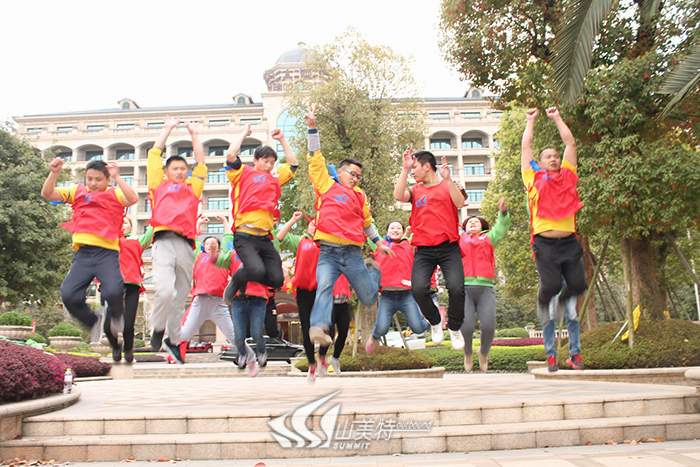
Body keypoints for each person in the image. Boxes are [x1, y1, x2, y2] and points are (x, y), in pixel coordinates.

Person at [303, 103, 395, 349]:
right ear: (340, 172)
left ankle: (373, 270)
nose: (355, 178)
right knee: (324, 287)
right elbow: (315, 158)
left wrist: (379, 244)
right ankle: (318, 327)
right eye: (352, 173)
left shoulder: (361, 196)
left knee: (368, 298)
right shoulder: (326, 185)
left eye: (358, 176)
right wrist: (312, 127)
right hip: (329, 252)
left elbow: (367, 224)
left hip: (353, 254)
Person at [41, 158, 138, 343]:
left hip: (107, 254)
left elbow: (132, 199)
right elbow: (48, 193)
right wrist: (54, 173)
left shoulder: (114, 193)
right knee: (68, 294)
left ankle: (116, 315)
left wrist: (117, 177)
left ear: (107, 180)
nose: (93, 183)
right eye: (89, 179)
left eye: (98, 179)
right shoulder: (77, 191)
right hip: (83, 255)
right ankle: (94, 321)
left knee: (113, 292)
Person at [522, 106, 587, 372]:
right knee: (549, 302)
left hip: (569, 243)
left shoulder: (568, 175)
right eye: (548, 156)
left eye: (556, 156)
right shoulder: (532, 177)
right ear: (541, 162)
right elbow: (526, 148)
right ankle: (551, 354)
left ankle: (574, 354)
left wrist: (557, 118)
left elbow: (570, 143)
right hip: (546, 245)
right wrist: (530, 122)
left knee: (576, 291)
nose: (553, 158)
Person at [393, 147, 466, 350]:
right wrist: (404, 169)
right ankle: (435, 321)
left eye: (415, 167)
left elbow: (460, 203)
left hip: (448, 247)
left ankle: (455, 327)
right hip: (424, 250)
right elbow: (398, 195)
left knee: (457, 288)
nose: (413, 171)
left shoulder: (447, 185)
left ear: (427, 166)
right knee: (418, 289)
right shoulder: (415, 190)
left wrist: (448, 180)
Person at [147, 116, 207, 364]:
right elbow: (154, 153)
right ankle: (157, 328)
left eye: (183, 168)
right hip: (163, 242)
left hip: (185, 245)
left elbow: (201, 162)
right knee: (164, 291)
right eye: (175, 168)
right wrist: (167, 129)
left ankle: (173, 339)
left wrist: (194, 134)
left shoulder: (194, 187)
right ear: (166, 172)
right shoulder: (157, 184)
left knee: (181, 295)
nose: (180, 172)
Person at [222, 124, 298, 302]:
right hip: (245, 236)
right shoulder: (242, 173)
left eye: (272, 162)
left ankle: (244, 274)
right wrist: (244, 133)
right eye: (265, 161)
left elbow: (293, 165)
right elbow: (231, 155)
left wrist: (282, 139)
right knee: (256, 270)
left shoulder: (275, 179)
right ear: (255, 160)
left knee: (277, 280)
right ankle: (239, 277)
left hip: (264, 238)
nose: (269, 165)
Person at [276, 211, 351, 381]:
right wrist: (292, 220)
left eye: (319, 224)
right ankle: (312, 364)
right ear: (307, 227)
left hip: (323, 290)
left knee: (328, 328)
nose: (314, 227)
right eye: (312, 224)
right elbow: (280, 237)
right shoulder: (301, 241)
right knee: (307, 329)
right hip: (304, 290)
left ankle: (322, 357)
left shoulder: (329, 244)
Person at [176, 216, 253, 366]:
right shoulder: (199, 256)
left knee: (233, 336)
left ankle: (251, 357)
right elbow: (192, 240)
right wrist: (198, 223)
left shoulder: (224, 257)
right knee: (185, 333)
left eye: (214, 243)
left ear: (218, 247)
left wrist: (224, 221)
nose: (210, 245)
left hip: (218, 302)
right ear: (204, 246)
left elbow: (229, 238)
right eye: (207, 243)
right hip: (200, 301)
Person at [458, 197, 510, 371]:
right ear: (464, 227)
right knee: (466, 327)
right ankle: (468, 352)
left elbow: (501, 227)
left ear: (482, 227)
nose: (473, 223)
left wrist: (503, 213)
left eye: (476, 221)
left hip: (486, 289)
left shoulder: (489, 238)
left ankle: (484, 352)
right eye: (469, 222)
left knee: (488, 326)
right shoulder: (459, 238)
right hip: (464, 288)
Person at [366, 221, 430, 354]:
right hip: (387, 297)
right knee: (381, 329)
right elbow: (370, 230)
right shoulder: (380, 245)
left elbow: (419, 229)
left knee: (418, 328)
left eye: (398, 228)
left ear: (403, 231)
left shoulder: (409, 244)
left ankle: (430, 323)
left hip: (406, 296)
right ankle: (374, 337)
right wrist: (368, 215)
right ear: (387, 231)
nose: (395, 230)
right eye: (392, 228)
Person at [209, 235, 269, 378]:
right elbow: (217, 261)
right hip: (239, 299)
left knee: (256, 334)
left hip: (258, 298)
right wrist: (212, 251)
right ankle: (242, 354)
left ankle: (262, 352)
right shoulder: (233, 253)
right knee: (239, 335)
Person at [105, 216, 153, 363]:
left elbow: (152, 230)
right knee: (108, 326)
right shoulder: (108, 239)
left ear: (131, 227)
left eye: (125, 222)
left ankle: (128, 349)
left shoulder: (137, 240)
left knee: (128, 324)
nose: (122, 224)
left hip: (132, 285)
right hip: (113, 285)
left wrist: (156, 208)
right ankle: (115, 347)